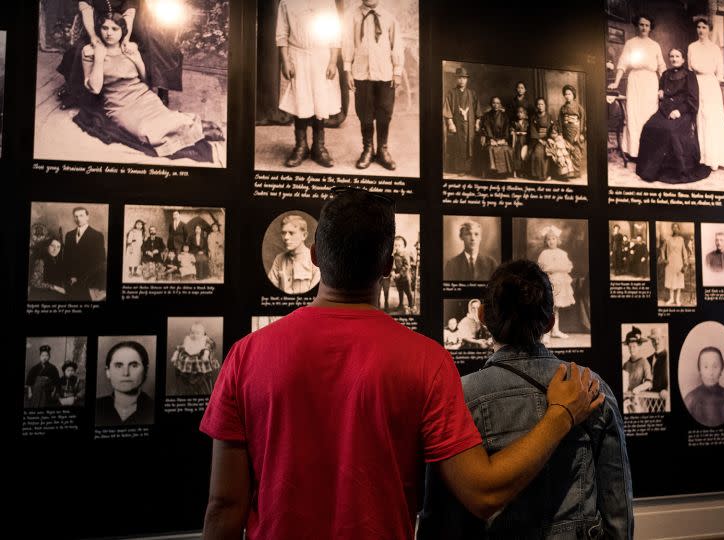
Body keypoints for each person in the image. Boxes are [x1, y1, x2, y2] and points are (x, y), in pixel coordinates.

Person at [200, 188, 604, 539]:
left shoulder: (246, 355)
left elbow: (223, 508)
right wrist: (560, 415)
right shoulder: (425, 361)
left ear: (314, 255)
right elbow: (482, 493)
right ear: (389, 266)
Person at [422, 259, 632, 538]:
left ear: (482, 316)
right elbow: (617, 506)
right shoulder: (590, 387)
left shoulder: (461, 397)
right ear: (550, 321)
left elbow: (441, 515)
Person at [78, 13, 223, 162]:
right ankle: (198, 129)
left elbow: (145, 80)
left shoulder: (130, 48)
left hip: (142, 95)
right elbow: (95, 88)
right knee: (143, 131)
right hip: (118, 105)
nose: (109, 33)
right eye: (105, 28)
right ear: (99, 29)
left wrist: (136, 58)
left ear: (123, 31)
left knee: (163, 118)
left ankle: (194, 127)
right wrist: (100, 59)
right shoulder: (90, 52)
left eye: (115, 29)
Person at [276, 0, 341, 168]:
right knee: (301, 100)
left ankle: (319, 147)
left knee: (320, 101)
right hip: (297, 56)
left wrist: (333, 61)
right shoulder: (287, 3)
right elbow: (282, 35)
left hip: (321, 56)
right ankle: (301, 146)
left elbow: (335, 35)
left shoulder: (327, 3)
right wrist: (285, 61)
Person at [343, 0, 404, 170]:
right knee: (365, 112)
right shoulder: (352, 16)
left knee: (384, 111)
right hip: (361, 73)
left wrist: (397, 70)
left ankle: (382, 149)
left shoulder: (389, 18)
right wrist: (347, 69)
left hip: (384, 73)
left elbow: (397, 45)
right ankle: (367, 149)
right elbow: (347, 42)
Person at [636, 48, 710, 183]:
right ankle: (650, 167)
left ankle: (674, 168)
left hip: (684, 111)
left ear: (683, 59)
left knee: (670, 130)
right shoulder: (665, 74)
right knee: (649, 126)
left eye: (677, 56)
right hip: (665, 110)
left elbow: (693, 99)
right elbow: (662, 96)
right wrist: (665, 106)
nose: (674, 59)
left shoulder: (690, 75)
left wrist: (679, 111)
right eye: (671, 56)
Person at [608, 14, 665, 160]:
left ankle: (649, 150)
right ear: (637, 26)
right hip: (635, 81)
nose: (644, 28)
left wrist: (665, 86)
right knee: (634, 115)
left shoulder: (655, 45)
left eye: (647, 25)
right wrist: (616, 82)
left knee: (649, 114)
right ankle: (634, 152)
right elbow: (622, 64)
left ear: (650, 27)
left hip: (651, 82)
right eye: (641, 24)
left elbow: (661, 67)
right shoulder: (630, 43)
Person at [687, 17, 724, 171]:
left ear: (709, 29)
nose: (701, 30)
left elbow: (720, 70)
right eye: (699, 27)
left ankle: (716, 157)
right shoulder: (692, 47)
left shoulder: (714, 48)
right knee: (700, 117)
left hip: (711, 85)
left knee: (713, 118)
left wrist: (715, 85)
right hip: (696, 84)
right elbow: (689, 69)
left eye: (704, 27)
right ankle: (703, 157)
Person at [95, 340, 154, 426]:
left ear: (146, 371)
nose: (125, 373)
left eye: (134, 365)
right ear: (108, 372)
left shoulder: (152, 409)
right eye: (118, 366)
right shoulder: (97, 407)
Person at [683, 347, 724, 427]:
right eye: (706, 367)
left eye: (715, 366)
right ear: (699, 370)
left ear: (721, 369)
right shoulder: (690, 399)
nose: (711, 373)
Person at [537, 225, 575, 340]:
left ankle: (555, 330)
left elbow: (568, 267)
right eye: (548, 239)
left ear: (558, 240)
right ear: (546, 241)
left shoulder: (562, 253)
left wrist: (555, 268)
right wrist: (551, 269)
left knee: (556, 308)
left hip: (560, 283)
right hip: (549, 283)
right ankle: (546, 333)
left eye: (553, 239)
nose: (551, 241)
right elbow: (541, 268)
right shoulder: (544, 254)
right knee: (548, 307)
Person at [268, 213, 321, 294]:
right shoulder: (279, 259)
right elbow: (269, 290)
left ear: (304, 235)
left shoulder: (314, 259)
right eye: (283, 233)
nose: (286, 237)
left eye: (291, 233)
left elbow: (314, 295)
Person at [62, 206, 106, 301]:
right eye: (76, 216)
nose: (78, 219)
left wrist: (80, 279)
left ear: (87, 217)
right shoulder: (69, 235)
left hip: (89, 283)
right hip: (71, 282)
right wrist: (70, 277)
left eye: (81, 215)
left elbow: (100, 261)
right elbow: (66, 259)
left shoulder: (97, 236)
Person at [443, 67, 480, 176]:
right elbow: (447, 108)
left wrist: (477, 122)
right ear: (456, 79)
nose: (462, 80)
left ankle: (470, 168)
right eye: (459, 78)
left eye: (464, 78)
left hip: (470, 124)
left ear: (467, 80)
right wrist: (450, 123)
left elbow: (477, 109)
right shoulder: (451, 93)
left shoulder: (472, 93)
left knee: (470, 144)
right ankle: (460, 168)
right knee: (459, 145)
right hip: (457, 124)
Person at [168, 321, 220, 396]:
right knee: (182, 357)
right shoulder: (188, 339)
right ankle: (189, 381)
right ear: (190, 333)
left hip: (200, 358)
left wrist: (205, 355)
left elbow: (207, 348)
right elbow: (180, 348)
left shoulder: (204, 340)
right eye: (192, 333)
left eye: (197, 333)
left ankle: (198, 381)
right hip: (188, 359)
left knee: (205, 353)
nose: (194, 335)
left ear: (202, 334)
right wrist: (175, 355)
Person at [479, 96, 514, 178]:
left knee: (506, 149)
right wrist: (491, 139)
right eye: (494, 103)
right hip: (491, 139)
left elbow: (507, 128)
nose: (496, 105)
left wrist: (504, 139)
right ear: (491, 104)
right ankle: (493, 172)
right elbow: (486, 128)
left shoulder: (505, 116)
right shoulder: (487, 116)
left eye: (498, 103)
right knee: (491, 148)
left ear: (500, 104)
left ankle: (503, 173)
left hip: (502, 139)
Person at [558, 84, 585, 177]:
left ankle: (576, 172)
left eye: (569, 94)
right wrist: (560, 133)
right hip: (566, 131)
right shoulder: (562, 108)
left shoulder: (579, 107)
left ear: (573, 94)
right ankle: (569, 171)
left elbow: (582, 120)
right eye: (565, 94)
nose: (567, 96)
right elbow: (560, 121)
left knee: (576, 150)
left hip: (576, 130)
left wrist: (580, 133)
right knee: (567, 151)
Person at [661, 223, 690, 306]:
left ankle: (677, 300)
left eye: (677, 228)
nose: (675, 229)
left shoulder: (681, 239)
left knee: (679, 280)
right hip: (670, 263)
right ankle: (671, 299)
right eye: (674, 227)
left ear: (679, 229)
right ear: (672, 229)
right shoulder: (668, 239)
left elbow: (684, 251)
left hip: (679, 262)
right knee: (671, 280)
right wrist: (664, 259)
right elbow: (662, 249)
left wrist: (685, 261)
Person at [528, 97, 555, 181]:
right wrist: (539, 140)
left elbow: (553, 129)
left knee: (548, 152)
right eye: (538, 104)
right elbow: (532, 130)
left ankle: (546, 174)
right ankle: (538, 175)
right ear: (536, 106)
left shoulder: (550, 116)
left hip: (548, 139)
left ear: (545, 105)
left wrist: (550, 138)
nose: (540, 106)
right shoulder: (533, 117)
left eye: (542, 104)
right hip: (537, 140)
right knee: (538, 152)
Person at [622, 328, 654, 393]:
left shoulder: (644, 362)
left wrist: (637, 389)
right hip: (626, 398)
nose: (631, 349)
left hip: (639, 398)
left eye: (634, 346)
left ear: (639, 347)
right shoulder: (626, 364)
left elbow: (649, 382)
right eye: (629, 347)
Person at [390, 235, 415, 314]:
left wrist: (400, 274)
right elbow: (392, 265)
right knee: (400, 291)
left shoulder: (405, 254)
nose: (397, 247)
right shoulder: (394, 255)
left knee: (408, 291)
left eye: (399, 245)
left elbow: (406, 266)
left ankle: (411, 305)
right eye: (395, 245)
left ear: (403, 246)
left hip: (405, 277)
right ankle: (401, 304)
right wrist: (393, 272)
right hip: (397, 278)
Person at [509, 104, 530, 177]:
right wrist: (512, 131)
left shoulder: (527, 123)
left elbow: (530, 131)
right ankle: (518, 170)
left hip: (526, 140)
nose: (520, 114)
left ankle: (525, 171)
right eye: (518, 112)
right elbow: (511, 129)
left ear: (525, 113)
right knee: (517, 153)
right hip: (518, 140)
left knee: (525, 154)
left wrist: (524, 133)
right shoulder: (514, 123)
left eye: (521, 112)